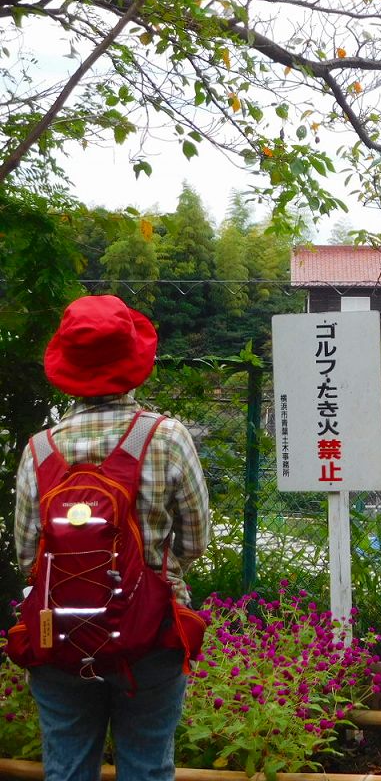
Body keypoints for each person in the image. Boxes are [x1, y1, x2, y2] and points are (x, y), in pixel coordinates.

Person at [13, 294, 210, 781]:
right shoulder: (166, 437)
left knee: (66, 767)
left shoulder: (39, 449)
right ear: (135, 360)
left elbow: (26, 556)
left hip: (57, 636)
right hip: (150, 635)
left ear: (67, 365)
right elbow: (194, 540)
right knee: (146, 766)